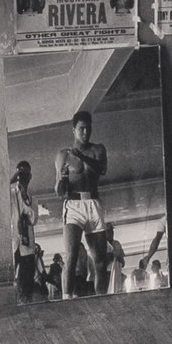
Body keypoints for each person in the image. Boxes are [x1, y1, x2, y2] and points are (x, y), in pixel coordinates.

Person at [55, 108, 111, 299]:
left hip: (94, 204)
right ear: (73, 130)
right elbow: (59, 192)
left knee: (100, 260)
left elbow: (102, 169)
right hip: (73, 206)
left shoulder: (98, 150)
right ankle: (66, 299)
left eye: (88, 128)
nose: (86, 132)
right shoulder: (63, 155)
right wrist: (62, 179)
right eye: (81, 129)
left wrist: (81, 156)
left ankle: (101, 300)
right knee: (71, 258)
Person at [7, 158, 44, 300]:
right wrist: (11, 180)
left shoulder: (33, 200)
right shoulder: (10, 195)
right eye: (20, 174)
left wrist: (24, 198)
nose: (23, 178)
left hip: (27, 245)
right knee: (8, 276)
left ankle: (26, 301)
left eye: (25, 175)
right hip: (13, 243)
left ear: (30, 177)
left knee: (27, 279)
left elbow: (33, 220)